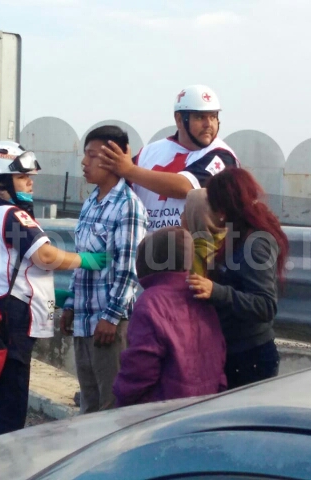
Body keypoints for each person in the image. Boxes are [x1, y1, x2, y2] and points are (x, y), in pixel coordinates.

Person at [0, 140, 107, 443]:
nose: (30, 183)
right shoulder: (11, 215)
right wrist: (87, 260)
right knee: (7, 405)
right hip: (10, 317)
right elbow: (44, 256)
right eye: (22, 177)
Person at [60, 126, 147, 414]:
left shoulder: (127, 206)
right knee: (89, 404)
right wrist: (70, 305)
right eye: (85, 155)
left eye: (92, 155)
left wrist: (111, 317)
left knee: (111, 409)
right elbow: (81, 259)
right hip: (85, 320)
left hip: (109, 324)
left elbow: (128, 267)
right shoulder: (90, 204)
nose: (84, 163)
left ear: (113, 159)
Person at [187, 168, 289, 389]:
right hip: (236, 352)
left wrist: (216, 291)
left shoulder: (254, 242)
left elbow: (265, 305)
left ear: (223, 206)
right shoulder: (236, 235)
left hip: (250, 357)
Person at [98, 85, 239, 231]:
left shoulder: (223, 155)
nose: (208, 124)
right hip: (145, 248)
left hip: (193, 251)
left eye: (213, 117)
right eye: (199, 117)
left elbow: (184, 187)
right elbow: (114, 183)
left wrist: (129, 170)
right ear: (179, 119)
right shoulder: (149, 152)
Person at [113, 226, 227, 406]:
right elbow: (218, 356)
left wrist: (120, 397)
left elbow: (139, 370)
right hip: (205, 409)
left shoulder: (149, 303)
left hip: (160, 415)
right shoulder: (202, 296)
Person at [180, 188, 226, 277]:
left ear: (195, 216)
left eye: (186, 211)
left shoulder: (192, 256)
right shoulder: (233, 243)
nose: (181, 216)